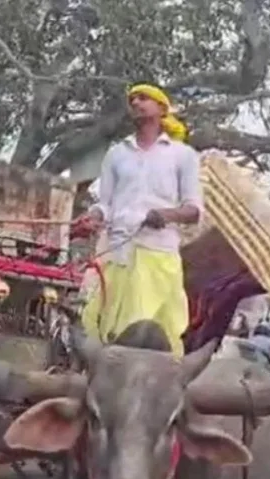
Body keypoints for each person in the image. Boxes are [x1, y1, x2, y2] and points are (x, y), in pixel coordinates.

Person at [74, 83, 203, 356]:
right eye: (132, 100)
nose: (136, 103)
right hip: (114, 253)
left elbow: (193, 211)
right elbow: (105, 203)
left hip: (157, 255)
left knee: (142, 330)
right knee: (96, 326)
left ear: (161, 108)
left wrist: (166, 215)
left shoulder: (183, 155)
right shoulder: (117, 154)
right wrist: (93, 217)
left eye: (144, 98)